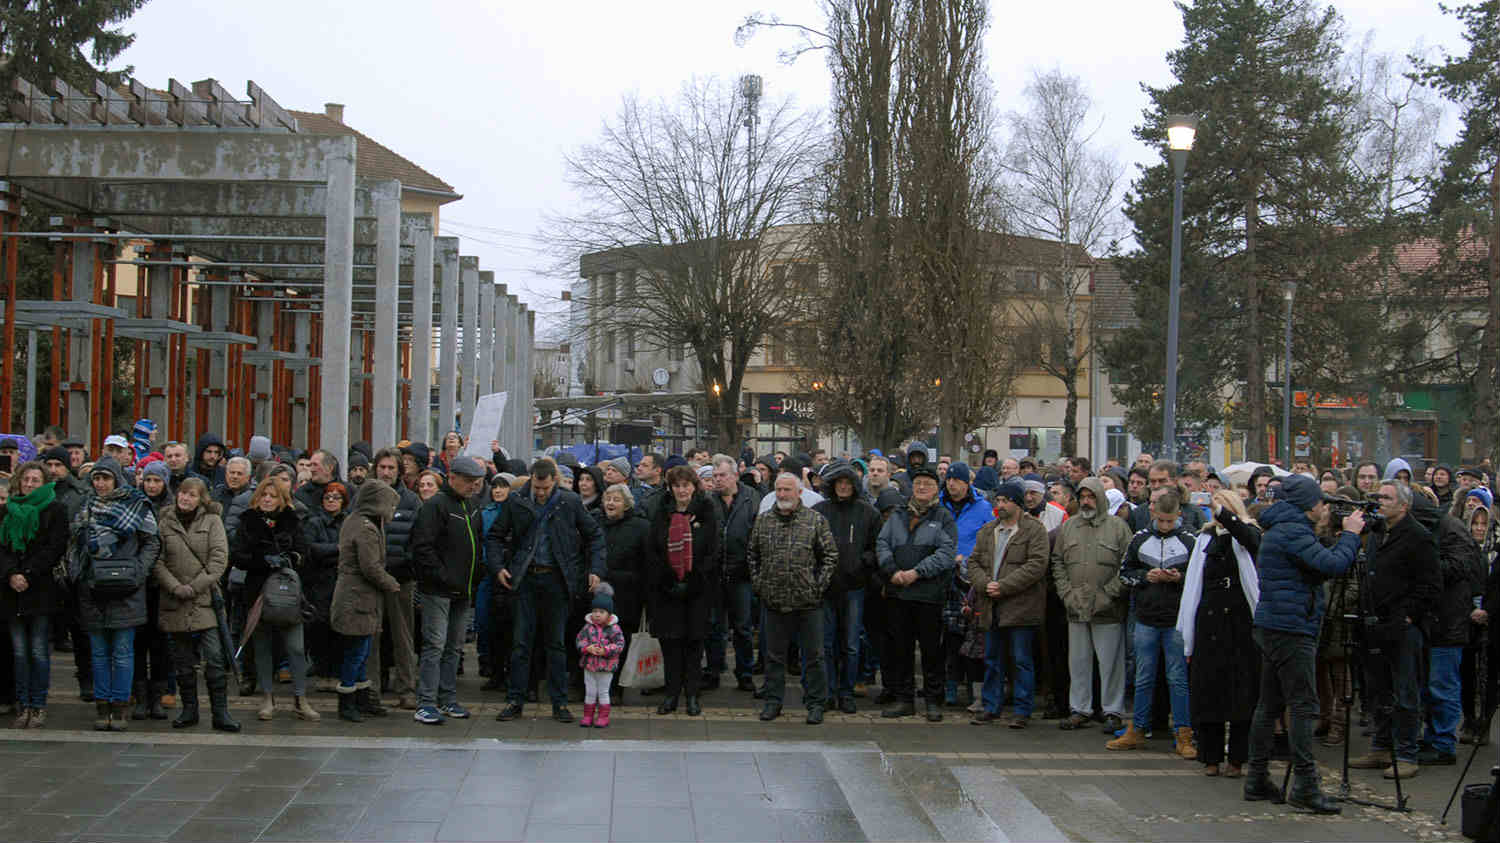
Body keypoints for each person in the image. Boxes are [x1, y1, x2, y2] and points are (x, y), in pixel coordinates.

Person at [1243, 473, 1364, 813]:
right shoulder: (1294, 530)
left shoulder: (1281, 527)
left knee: (1268, 704)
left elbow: (1313, 567)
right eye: (1321, 502)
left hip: (1273, 625)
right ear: (1309, 505)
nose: (1324, 507)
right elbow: (1334, 564)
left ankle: (1257, 778)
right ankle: (1306, 786)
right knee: (1301, 705)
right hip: (1291, 629)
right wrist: (1352, 535)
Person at [490, 459, 605, 723]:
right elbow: (495, 536)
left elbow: (595, 535)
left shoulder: (569, 501)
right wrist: (498, 567)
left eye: (544, 487)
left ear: (554, 480)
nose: (540, 492)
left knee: (556, 644)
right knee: (520, 643)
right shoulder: (517, 500)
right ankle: (515, 700)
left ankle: (559, 703)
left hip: (558, 580)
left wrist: (594, 569)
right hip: (525, 580)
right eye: (536, 487)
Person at [1344, 480, 1441, 780]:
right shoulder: (1376, 533)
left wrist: (1409, 617)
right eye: (1378, 497)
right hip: (1375, 623)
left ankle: (1407, 753)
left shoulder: (1418, 537)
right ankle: (1381, 746)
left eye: (1386, 497)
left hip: (1402, 626)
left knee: (1405, 692)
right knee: (1378, 690)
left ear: (1404, 505)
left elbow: (1431, 585)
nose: (1379, 502)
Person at [69, 457, 160, 731]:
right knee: (98, 652)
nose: (100, 483)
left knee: (122, 651)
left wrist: (138, 570)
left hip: (126, 588)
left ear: (117, 479)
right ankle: (102, 704)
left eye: (106, 478)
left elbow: (152, 542)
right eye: (97, 478)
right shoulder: (85, 506)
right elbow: (75, 543)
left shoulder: (136, 505)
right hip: (93, 588)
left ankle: (120, 706)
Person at [1177, 490, 1261, 776]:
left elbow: (1248, 541)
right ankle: (1210, 756)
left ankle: (1237, 758)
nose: (1218, 513)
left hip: (1240, 623)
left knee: (1241, 693)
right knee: (1208, 692)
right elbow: (1194, 584)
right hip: (1210, 622)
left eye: (1224, 508)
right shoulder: (1205, 539)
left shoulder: (1249, 533)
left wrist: (1227, 516)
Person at [1110, 489, 1196, 757]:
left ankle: (1183, 733)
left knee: (1178, 678)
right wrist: (1147, 576)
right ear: (1153, 515)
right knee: (1143, 677)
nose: (1166, 525)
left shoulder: (1189, 541)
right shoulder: (1140, 539)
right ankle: (1137, 729)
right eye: (1162, 521)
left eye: (1171, 521)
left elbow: (1198, 577)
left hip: (1175, 620)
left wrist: (1177, 578)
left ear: (1179, 515)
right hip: (1146, 617)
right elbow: (1124, 574)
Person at [748, 471, 839, 723]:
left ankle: (816, 703)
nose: (782, 495)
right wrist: (760, 584)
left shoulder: (815, 521)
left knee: (813, 656)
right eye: (778, 490)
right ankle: (773, 702)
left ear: (799, 493)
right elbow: (752, 555)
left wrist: (816, 587)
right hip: (774, 600)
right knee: (774, 657)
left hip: (808, 602)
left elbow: (830, 556)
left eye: (787, 490)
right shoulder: (764, 521)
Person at [153, 476, 239, 732]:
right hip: (174, 600)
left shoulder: (212, 521)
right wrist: (175, 586)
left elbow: (219, 559)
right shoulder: (164, 522)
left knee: (213, 658)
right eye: (182, 493)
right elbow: (156, 560)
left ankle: (220, 713)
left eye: (192, 495)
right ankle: (189, 709)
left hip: (204, 601)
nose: (185, 498)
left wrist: (194, 586)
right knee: (182, 661)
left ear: (201, 498)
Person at [233, 478, 319, 722]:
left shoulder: (292, 521)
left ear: (282, 499)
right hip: (259, 591)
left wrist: (291, 556)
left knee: (296, 647)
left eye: (273, 495)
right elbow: (237, 556)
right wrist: (261, 558)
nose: (268, 499)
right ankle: (267, 698)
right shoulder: (248, 521)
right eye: (264, 495)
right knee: (262, 645)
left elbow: (305, 552)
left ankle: (300, 698)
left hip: (289, 592)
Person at [876, 462, 957, 721]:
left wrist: (917, 572)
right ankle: (904, 699)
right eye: (918, 483)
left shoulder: (943, 517)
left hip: (928, 595)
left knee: (932, 651)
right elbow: (882, 543)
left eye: (928, 484)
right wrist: (892, 570)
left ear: (936, 490)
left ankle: (933, 701)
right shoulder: (898, 514)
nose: (922, 487)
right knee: (901, 649)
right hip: (898, 594)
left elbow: (946, 553)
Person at [409, 456, 487, 725]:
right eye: (468, 481)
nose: (473, 486)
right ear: (452, 477)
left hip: (463, 589)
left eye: (476, 482)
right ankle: (427, 702)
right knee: (435, 645)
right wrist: (443, 577)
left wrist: (477, 575)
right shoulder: (435, 507)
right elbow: (422, 547)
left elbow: (477, 542)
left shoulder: (472, 506)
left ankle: (447, 698)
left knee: (454, 647)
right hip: (438, 590)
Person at [966, 480, 1049, 728]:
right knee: (992, 659)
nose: (999, 506)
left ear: (1017, 503)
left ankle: (1022, 710)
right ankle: (991, 706)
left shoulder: (1034, 530)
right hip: (992, 606)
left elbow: (1036, 565)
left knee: (1021, 660)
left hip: (1021, 607)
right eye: (997, 501)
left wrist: (1004, 586)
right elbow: (973, 563)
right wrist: (985, 584)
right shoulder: (988, 530)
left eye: (1005, 501)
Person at [643, 464, 720, 716]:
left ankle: (693, 695)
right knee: (671, 645)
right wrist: (668, 580)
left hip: (697, 589)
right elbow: (653, 549)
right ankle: (671, 694)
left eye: (685, 485)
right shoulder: (661, 511)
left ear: (693, 486)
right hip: (667, 590)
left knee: (694, 645)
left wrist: (694, 580)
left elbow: (713, 551)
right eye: (676, 486)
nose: (681, 491)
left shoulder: (707, 510)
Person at [1, 462, 68, 728]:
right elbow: (3, 549)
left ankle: (38, 704)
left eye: (35, 480)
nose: (29, 484)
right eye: (26, 479)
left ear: (44, 483)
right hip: (11, 589)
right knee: (19, 651)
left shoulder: (55, 510)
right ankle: (23, 703)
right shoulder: (6, 510)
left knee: (39, 650)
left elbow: (55, 548)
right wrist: (11, 574)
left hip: (40, 589)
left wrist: (27, 573)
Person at [331, 479, 403, 723]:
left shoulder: (357, 521)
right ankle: (348, 701)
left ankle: (361, 698)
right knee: (356, 652)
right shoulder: (365, 528)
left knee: (361, 650)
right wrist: (392, 583)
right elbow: (370, 567)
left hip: (358, 596)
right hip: (357, 598)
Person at [813, 461, 878, 714]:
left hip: (855, 586)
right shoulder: (820, 511)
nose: (842, 487)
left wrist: (862, 563)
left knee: (851, 644)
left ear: (853, 485)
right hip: (826, 587)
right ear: (832, 485)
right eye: (838, 482)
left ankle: (846, 692)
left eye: (847, 482)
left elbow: (876, 547)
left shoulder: (867, 513)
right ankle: (828, 692)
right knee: (826, 644)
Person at [368, 447, 420, 710]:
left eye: (391, 468)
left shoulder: (410, 500)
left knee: (403, 637)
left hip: (400, 578)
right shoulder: (364, 498)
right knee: (371, 636)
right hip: (369, 579)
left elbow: (418, 539)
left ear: (399, 471)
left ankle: (407, 688)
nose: (386, 472)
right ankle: (372, 689)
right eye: (382, 467)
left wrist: (405, 565)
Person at [708, 454, 761, 693]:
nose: (718, 480)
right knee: (715, 627)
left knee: (743, 627)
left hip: (742, 574)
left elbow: (758, 534)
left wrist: (751, 566)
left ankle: (745, 672)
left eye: (722, 475)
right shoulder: (708, 501)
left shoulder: (751, 498)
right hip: (715, 574)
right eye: (715, 476)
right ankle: (714, 670)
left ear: (735, 476)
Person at [599, 484, 648, 699]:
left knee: (621, 640)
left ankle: (616, 686)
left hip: (628, 593)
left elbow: (647, 563)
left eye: (616, 500)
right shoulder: (595, 523)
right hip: (599, 594)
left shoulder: (641, 527)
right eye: (608, 499)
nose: (610, 503)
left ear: (627, 504)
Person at [301, 481, 348, 696]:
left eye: (336, 497)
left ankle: (336, 671)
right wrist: (337, 549)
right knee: (318, 629)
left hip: (340, 582)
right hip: (318, 583)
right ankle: (321, 672)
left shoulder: (347, 522)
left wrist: (330, 552)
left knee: (338, 628)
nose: (331, 501)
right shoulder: (314, 522)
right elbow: (311, 549)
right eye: (328, 497)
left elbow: (351, 549)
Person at [575, 583, 625, 728]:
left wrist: (606, 650)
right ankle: (587, 715)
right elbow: (579, 640)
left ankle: (603, 717)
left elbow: (620, 645)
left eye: (601, 611)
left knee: (603, 692)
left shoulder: (614, 629)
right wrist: (587, 648)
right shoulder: (587, 627)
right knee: (589, 691)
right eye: (595, 611)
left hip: (606, 666)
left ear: (609, 614)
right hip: (589, 665)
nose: (597, 614)